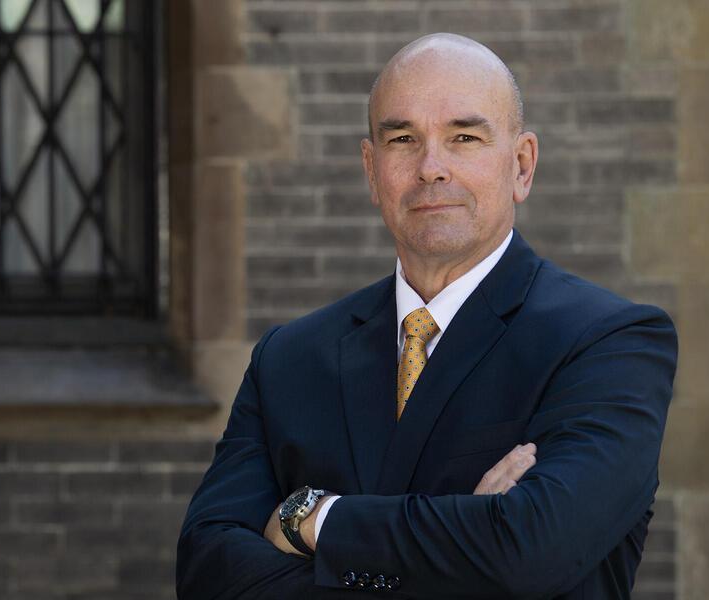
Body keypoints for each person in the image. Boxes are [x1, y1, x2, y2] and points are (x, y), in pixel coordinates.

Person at [177, 33, 677, 599]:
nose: (430, 167)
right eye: (402, 139)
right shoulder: (288, 359)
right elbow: (206, 569)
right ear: (371, 170)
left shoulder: (608, 344)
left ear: (521, 165)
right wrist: (469, 540)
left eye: (464, 137)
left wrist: (312, 519)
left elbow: (531, 553)